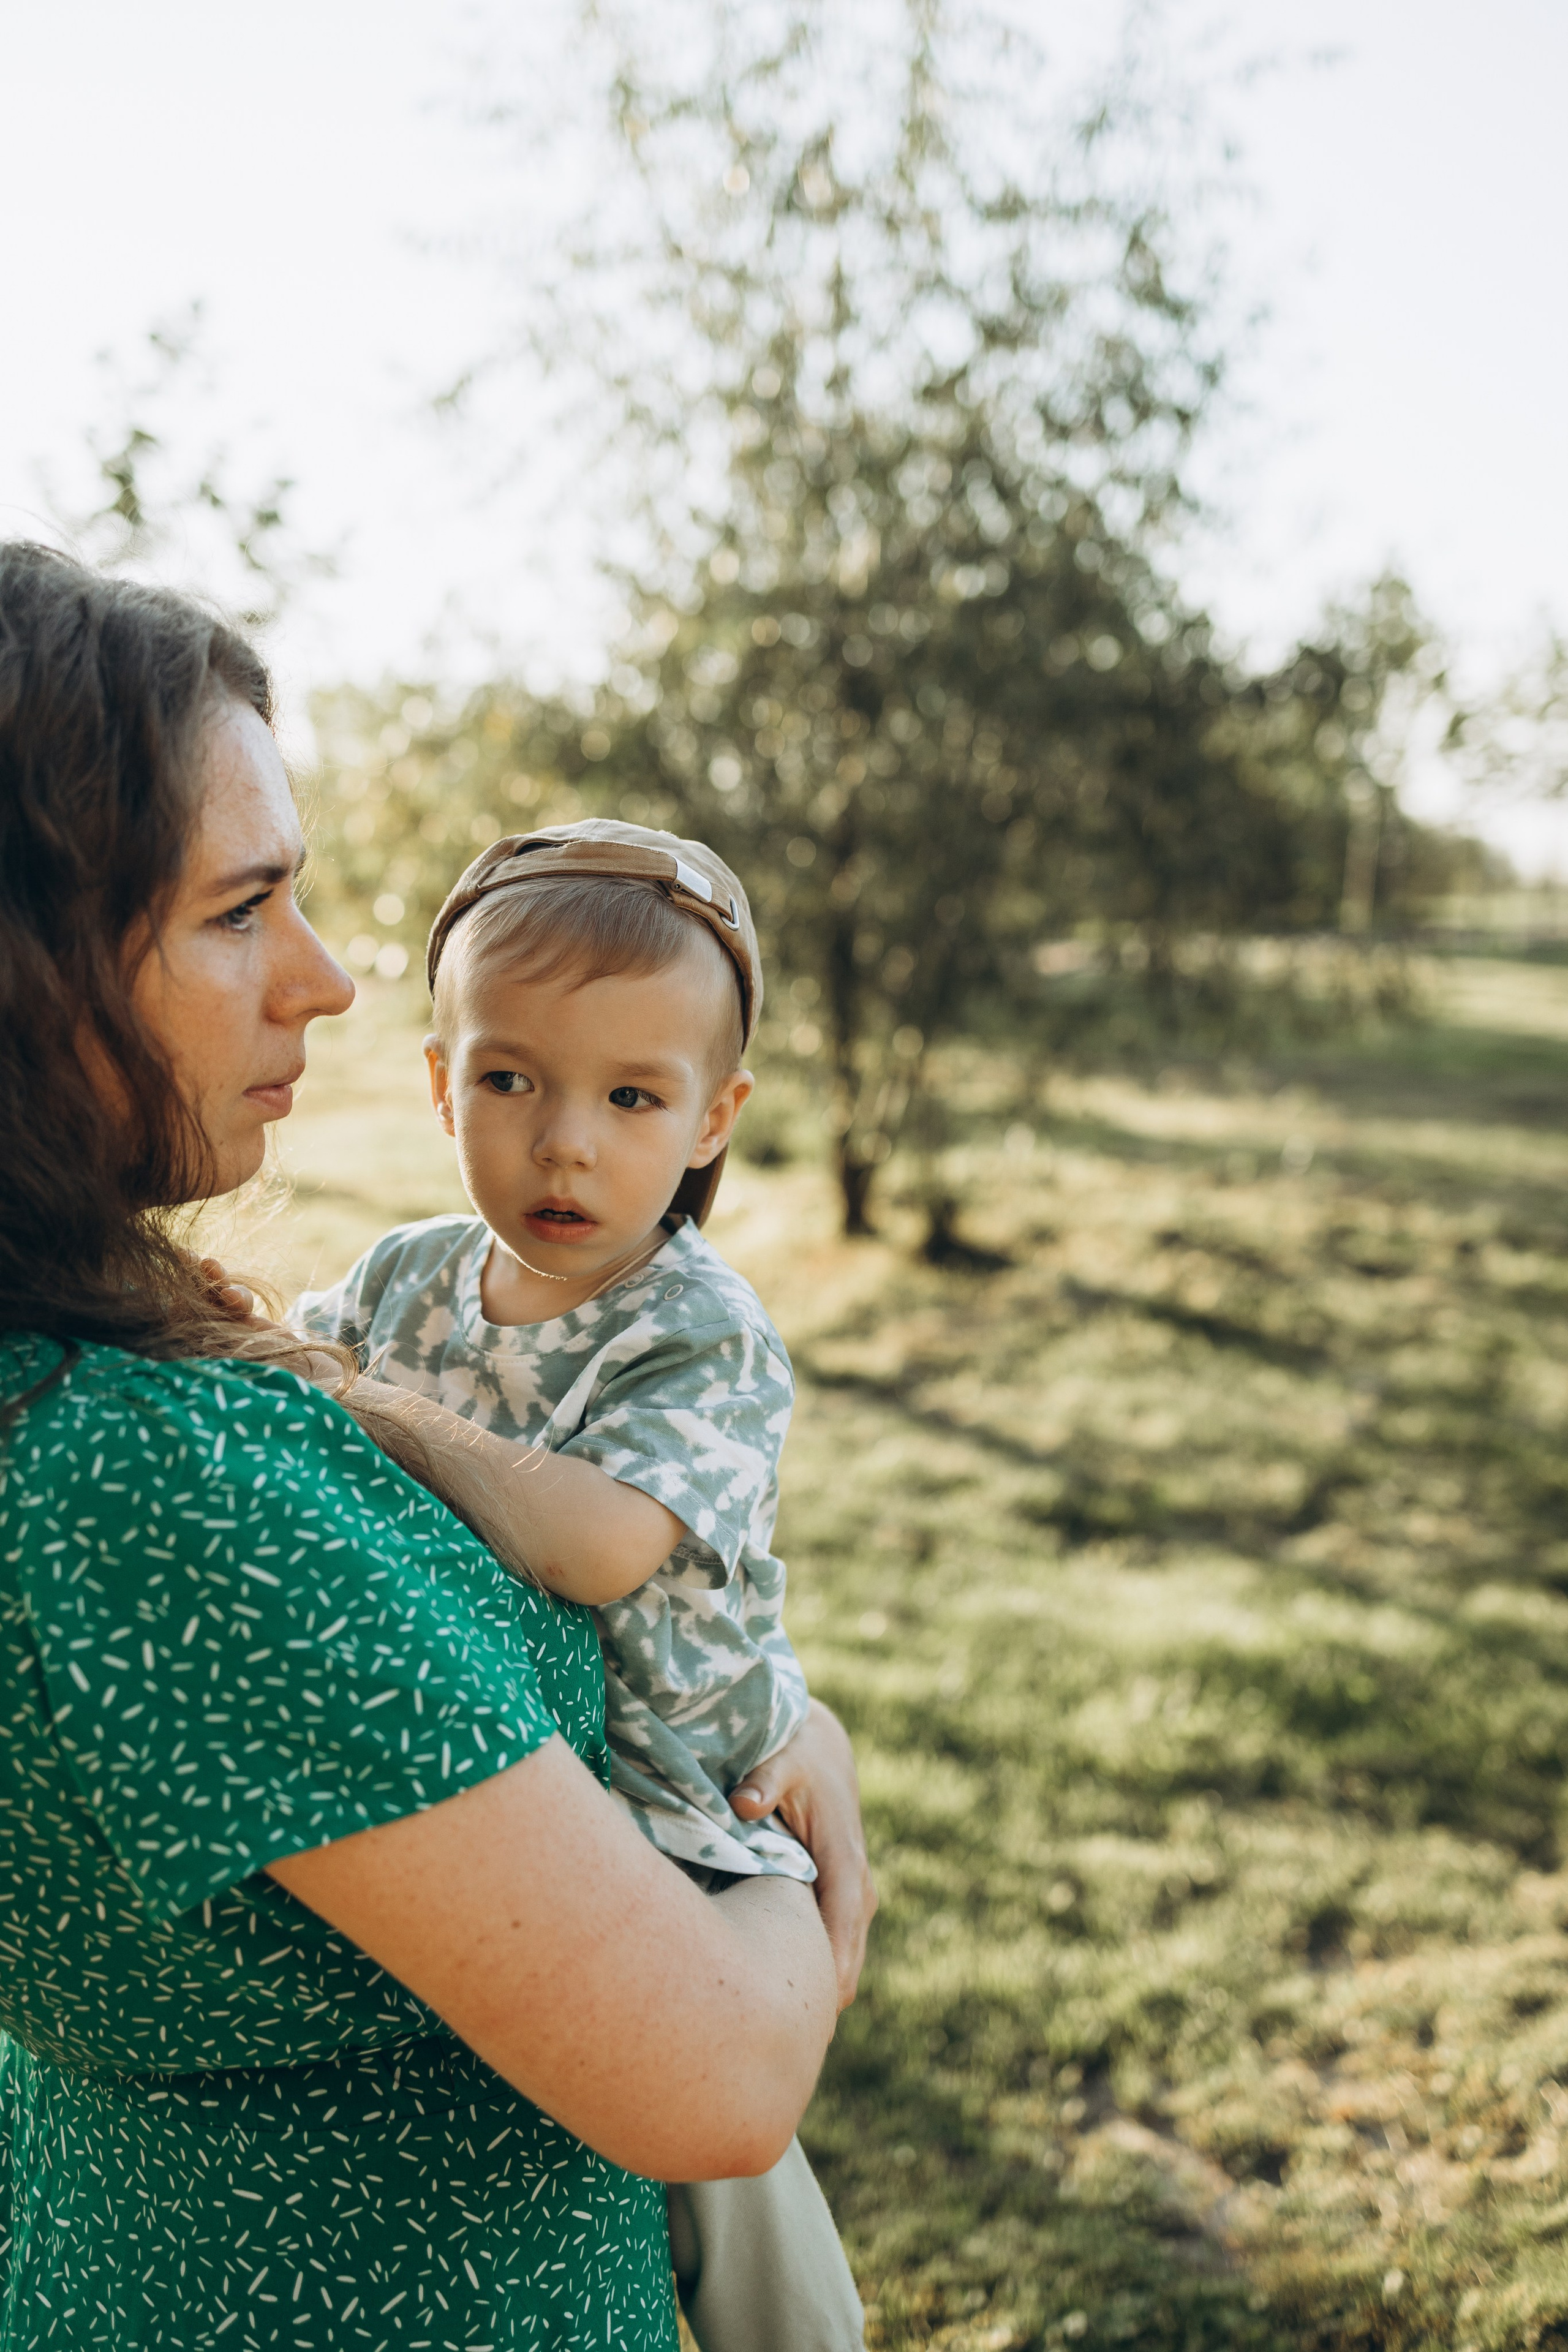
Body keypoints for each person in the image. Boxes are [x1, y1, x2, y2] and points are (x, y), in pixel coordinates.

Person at [0, 543, 875, 2351]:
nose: (326, 980)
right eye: (240, 911)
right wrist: (809, 1867)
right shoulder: (150, 1475)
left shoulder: (86, 1366)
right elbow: (722, 2077)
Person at [288, 820, 864, 2352]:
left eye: (629, 1097)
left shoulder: (697, 1327)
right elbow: (284, 1389)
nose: (563, 1143)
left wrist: (370, 1405)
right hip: (527, 1785)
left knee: (725, 2164)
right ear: (439, 1082)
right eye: (510, 1080)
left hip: (689, 1798)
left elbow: (598, 1543)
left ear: (712, 1118)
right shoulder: (402, 1278)